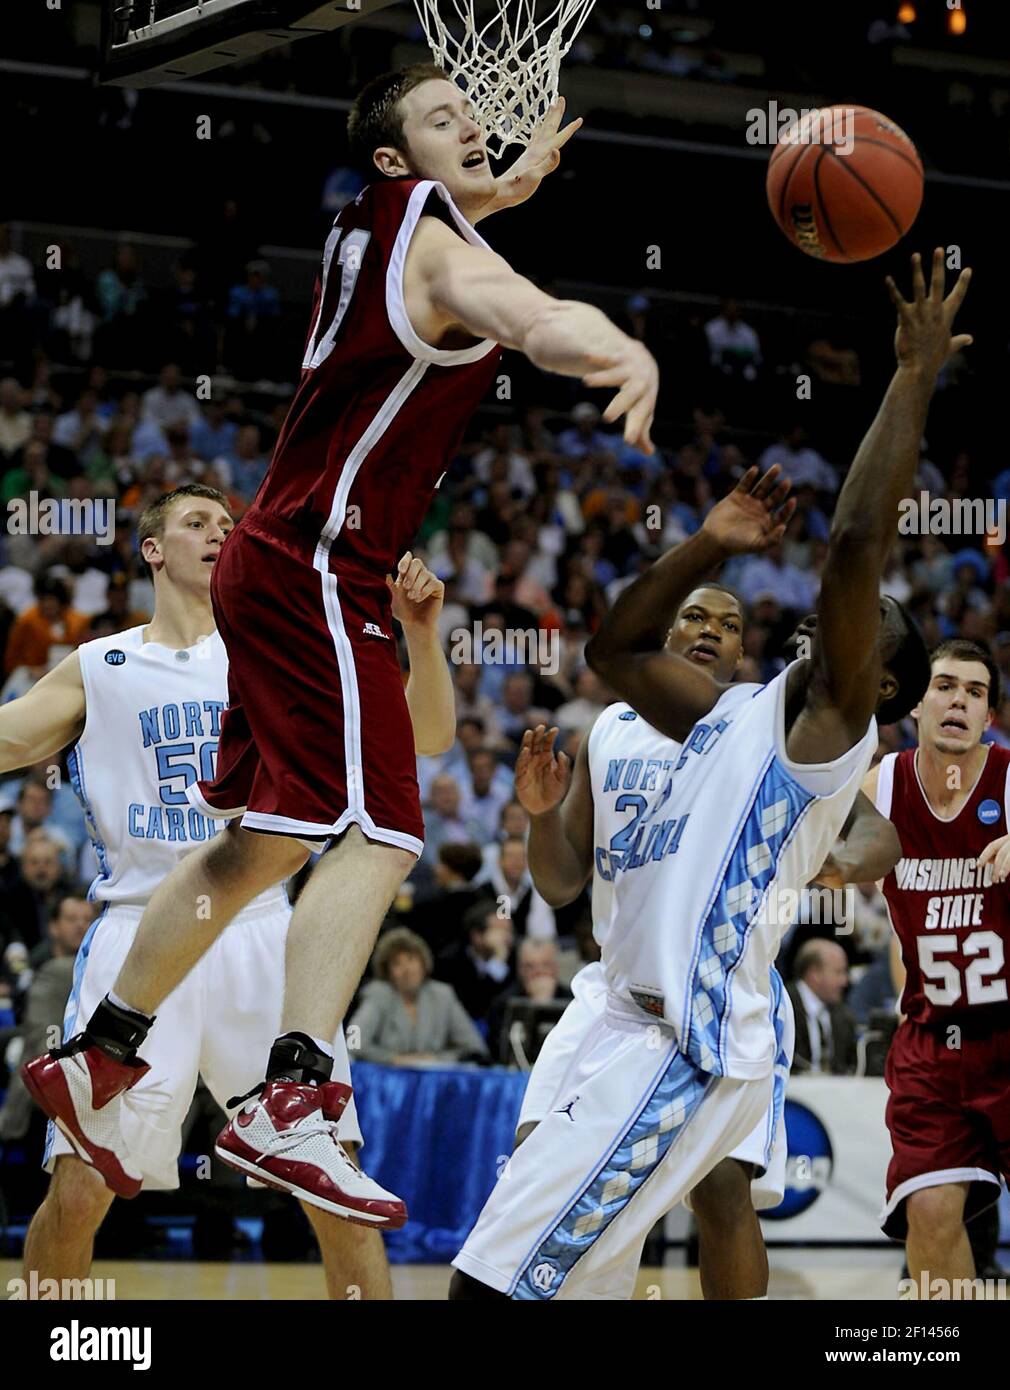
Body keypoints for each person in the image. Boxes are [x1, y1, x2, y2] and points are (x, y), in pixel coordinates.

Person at [25, 67, 659, 1220]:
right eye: (441, 121)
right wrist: (615, 345)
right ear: (392, 160)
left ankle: (102, 1049)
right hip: (322, 560)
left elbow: (447, 254)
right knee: (383, 828)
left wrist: (500, 189)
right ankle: (294, 1095)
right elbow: (523, 314)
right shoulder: (435, 242)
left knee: (264, 842)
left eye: (475, 117)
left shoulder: (366, 229)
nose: (471, 127)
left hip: (284, 554)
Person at [449, 249, 967, 1299]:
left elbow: (858, 541)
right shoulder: (734, 709)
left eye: (865, 636)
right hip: (616, 1019)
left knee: (492, 1288)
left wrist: (908, 381)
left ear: (876, 688)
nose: (833, 625)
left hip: (685, 1046)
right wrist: (705, 542)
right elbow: (609, 651)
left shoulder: (823, 733)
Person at [8, 484, 455, 1298]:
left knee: (336, 1188)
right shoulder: (103, 664)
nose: (220, 533)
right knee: (78, 1190)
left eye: (229, 524)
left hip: (264, 932)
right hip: (141, 937)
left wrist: (420, 637)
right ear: (152, 549)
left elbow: (424, 737)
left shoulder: (286, 648)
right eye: (197, 523)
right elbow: (10, 739)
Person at [467, 577, 897, 1300]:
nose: (709, 629)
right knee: (539, 1162)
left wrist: (839, 860)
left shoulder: (763, 727)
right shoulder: (609, 730)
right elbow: (561, 885)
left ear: (740, 651)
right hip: (611, 990)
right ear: (664, 635)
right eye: (692, 614)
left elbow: (873, 831)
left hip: (725, 997)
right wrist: (542, 818)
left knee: (719, 1191)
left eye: (728, 625)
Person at [867, 637, 1010, 1292]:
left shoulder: (1008, 781)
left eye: (976, 692)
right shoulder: (881, 786)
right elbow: (806, 844)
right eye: (947, 686)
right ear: (917, 703)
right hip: (932, 1041)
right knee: (929, 1210)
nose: (960, 700)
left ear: (989, 715)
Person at [350, 927, 488, 1065]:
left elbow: (474, 1048)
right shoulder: (378, 995)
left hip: (433, 1081)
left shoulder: (442, 995)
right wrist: (392, 1059)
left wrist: (437, 1059)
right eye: (397, 964)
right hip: (387, 1080)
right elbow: (353, 1042)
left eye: (411, 959)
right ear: (387, 972)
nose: (407, 969)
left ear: (423, 963)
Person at [786, 938, 858, 1075]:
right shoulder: (782, 1007)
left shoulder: (844, 1017)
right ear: (815, 974)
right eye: (838, 972)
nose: (845, 981)